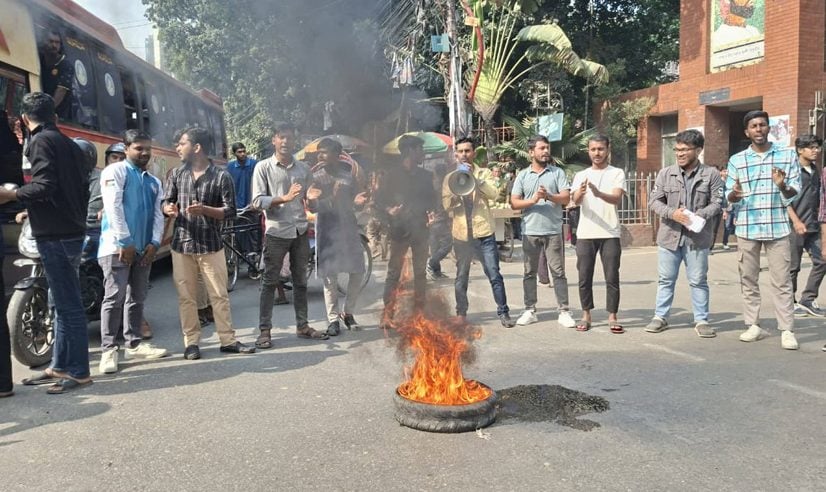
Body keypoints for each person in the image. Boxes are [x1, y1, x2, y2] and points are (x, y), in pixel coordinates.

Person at [0, 92, 91, 393]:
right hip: (68, 231)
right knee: (59, 305)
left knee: (68, 306)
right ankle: (60, 366)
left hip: (56, 236)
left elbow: (45, 185)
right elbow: (67, 189)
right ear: (55, 116)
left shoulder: (40, 141)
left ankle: (78, 371)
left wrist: (12, 195)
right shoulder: (68, 143)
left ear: (24, 118)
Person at [163, 127, 255, 359]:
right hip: (182, 245)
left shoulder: (221, 176)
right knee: (187, 297)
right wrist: (168, 208)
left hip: (210, 244)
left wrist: (205, 210)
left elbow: (230, 211)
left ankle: (228, 340)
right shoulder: (176, 174)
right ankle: (191, 343)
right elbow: (166, 202)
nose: (177, 148)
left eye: (182, 143)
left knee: (219, 295)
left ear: (197, 147)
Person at [726, 110, 800, 350]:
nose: (758, 129)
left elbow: (794, 192)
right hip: (747, 228)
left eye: (762, 125)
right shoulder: (737, 160)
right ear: (747, 132)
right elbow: (728, 196)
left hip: (777, 227)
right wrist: (734, 194)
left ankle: (786, 329)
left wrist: (782, 185)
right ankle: (753, 325)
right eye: (754, 126)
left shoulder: (786, 155)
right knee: (748, 279)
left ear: (769, 128)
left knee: (782, 281)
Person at [97, 130, 169, 374]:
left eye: (148, 148)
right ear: (126, 148)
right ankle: (108, 350)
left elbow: (158, 215)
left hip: (144, 248)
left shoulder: (154, 181)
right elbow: (113, 207)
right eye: (139, 148)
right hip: (116, 248)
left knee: (137, 297)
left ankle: (134, 345)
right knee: (114, 298)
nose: (145, 153)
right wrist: (125, 241)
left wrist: (155, 242)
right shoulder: (115, 172)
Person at [251, 123, 328, 347]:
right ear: (274, 140)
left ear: (295, 141)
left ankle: (302, 326)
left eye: (290, 138)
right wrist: (283, 198)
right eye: (281, 137)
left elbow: (311, 203)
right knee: (269, 281)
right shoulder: (263, 167)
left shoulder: (303, 169)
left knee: (300, 281)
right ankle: (265, 331)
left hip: (300, 231)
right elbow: (257, 201)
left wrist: (313, 199)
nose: (285, 141)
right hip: (276, 232)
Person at [645, 129, 723, 337]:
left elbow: (717, 203)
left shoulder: (711, 174)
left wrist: (697, 216)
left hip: (697, 239)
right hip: (669, 237)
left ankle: (701, 320)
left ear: (698, 150)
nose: (680, 154)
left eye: (685, 150)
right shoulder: (666, 173)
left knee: (698, 281)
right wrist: (673, 214)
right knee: (665, 279)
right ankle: (660, 317)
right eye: (677, 149)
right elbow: (654, 201)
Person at [442, 137, 515, 327]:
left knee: (494, 273)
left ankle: (503, 312)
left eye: (467, 151)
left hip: (484, 233)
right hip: (461, 234)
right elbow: (446, 205)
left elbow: (494, 194)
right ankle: (461, 313)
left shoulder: (485, 173)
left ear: (474, 153)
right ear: (456, 155)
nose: (464, 155)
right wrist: (456, 190)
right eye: (460, 151)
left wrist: (475, 180)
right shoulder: (449, 178)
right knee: (461, 276)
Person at [509, 135, 575, 328]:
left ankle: (564, 311)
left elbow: (565, 199)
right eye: (541, 148)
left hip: (553, 231)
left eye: (547, 148)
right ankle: (530, 310)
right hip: (530, 231)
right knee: (529, 272)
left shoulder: (557, 173)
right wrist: (534, 200)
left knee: (558, 272)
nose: (546, 151)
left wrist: (548, 196)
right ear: (531, 152)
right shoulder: (523, 175)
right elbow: (514, 202)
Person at [307, 138, 368, 335]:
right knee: (330, 277)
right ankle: (333, 319)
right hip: (326, 230)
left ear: (337, 154)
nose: (320, 156)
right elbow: (313, 208)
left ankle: (348, 312)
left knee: (358, 271)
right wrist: (317, 200)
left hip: (348, 228)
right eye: (319, 152)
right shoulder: (315, 178)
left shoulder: (348, 176)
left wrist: (359, 202)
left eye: (324, 152)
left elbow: (355, 201)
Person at [375, 135, 435, 320]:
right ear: (410, 151)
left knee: (420, 273)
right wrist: (389, 210)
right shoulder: (391, 175)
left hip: (421, 230)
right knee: (394, 272)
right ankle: (388, 313)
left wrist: (432, 213)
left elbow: (432, 200)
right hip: (399, 230)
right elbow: (378, 201)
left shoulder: (426, 176)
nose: (423, 153)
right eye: (420, 149)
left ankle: (419, 314)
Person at [571, 134, 626, 333]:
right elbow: (575, 201)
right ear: (588, 151)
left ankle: (612, 316)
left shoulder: (616, 173)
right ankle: (586, 315)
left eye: (601, 149)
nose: (597, 153)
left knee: (612, 276)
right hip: (586, 233)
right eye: (593, 149)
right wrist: (580, 192)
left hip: (610, 232)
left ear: (608, 150)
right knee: (584, 276)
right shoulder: (580, 175)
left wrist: (598, 193)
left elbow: (616, 198)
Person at [788, 134, 825, 317]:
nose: (816, 151)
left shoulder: (815, 170)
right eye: (812, 147)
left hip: (813, 225)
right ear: (800, 150)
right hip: (793, 226)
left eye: (817, 147)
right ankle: (790, 302)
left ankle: (808, 299)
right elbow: (783, 200)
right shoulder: (791, 170)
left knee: (822, 261)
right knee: (793, 267)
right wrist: (795, 221)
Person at [38, 30, 73, 121]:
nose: (54, 45)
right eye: (51, 41)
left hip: (57, 117)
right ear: (44, 41)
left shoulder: (65, 65)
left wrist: (46, 112)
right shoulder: (38, 58)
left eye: (57, 42)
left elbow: (61, 91)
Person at [426, 161, 453, 280]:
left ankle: (436, 271)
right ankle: (431, 264)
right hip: (440, 218)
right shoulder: (443, 186)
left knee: (435, 246)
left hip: (432, 219)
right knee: (448, 244)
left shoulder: (432, 185)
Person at [226, 142, 258, 209]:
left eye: (244, 151)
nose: (243, 154)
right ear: (234, 153)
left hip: (252, 205)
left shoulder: (254, 164)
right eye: (239, 152)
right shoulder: (230, 167)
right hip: (236, 206)